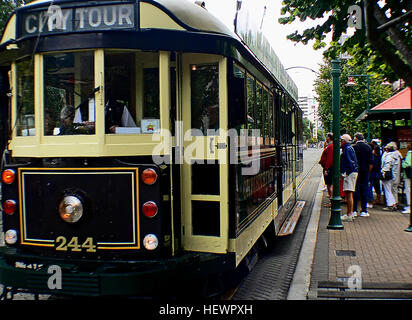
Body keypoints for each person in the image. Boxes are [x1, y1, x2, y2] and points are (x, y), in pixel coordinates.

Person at [352, 132, 373, 217]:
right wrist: (368, 172)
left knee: (355, 190)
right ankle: (364, 210)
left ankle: (354, 210)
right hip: (365, 171)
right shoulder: (368, 147)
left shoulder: (353, 147)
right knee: (364, 189)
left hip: (355, 171)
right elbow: (371, 162)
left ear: (356, 138)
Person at [340, 134, 359, 221]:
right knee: (349, 193)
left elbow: (350, 162)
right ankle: (350, 213)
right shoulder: (349, 148)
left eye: (341, 140)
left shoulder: (347, 149)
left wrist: (346, 173)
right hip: (352, 172)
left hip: (350, 173)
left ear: (344, 141)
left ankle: (349, 214)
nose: (340, 142)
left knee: (349, 193)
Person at [381, 142, 402, 211]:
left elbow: (387, 165)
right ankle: (395, 203)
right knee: (394, 190)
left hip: (390, 176)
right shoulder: (398, 155)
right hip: (396, 175)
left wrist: (383, 172)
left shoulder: (389, 156)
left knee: (388, 190)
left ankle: (391, 205)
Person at [319, 133, 334, 202]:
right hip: (328, 167)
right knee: (329, 184)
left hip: (329, 168)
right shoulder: (330, 146)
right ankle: (331, 199)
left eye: (327, 137)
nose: (326, 138)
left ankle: (332, 201)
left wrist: (326, 169)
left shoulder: (331, 146)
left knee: (329, 184)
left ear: (329, 138)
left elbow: (329, 159)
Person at [401, 147, 411, 214]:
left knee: (408, 190)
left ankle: (409, 206)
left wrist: (402, 163)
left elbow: (407, 164)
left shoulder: (410, 153)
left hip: (408, 174)